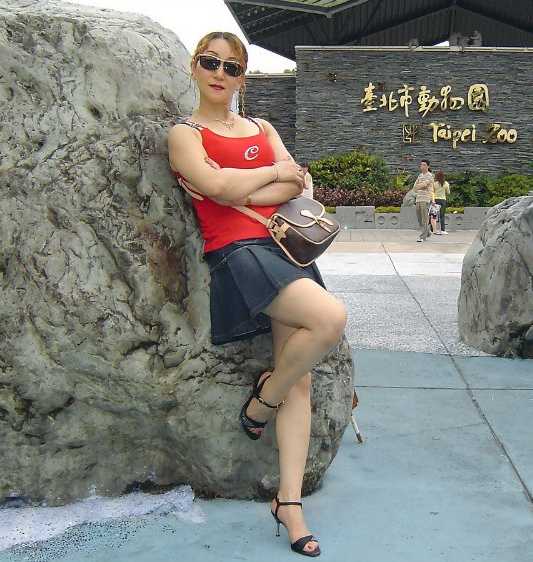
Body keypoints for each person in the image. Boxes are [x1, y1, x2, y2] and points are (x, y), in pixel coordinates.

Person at [168, 31, 347, 558]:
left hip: (284, 247)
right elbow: (219, 190)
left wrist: (239, 182)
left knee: (301, 377)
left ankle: (288, 504)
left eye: (232, 66)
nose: (219, 73)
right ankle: (264, 399)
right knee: (329, 318)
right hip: (237, 252)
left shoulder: (262, 127)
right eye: (210, 62)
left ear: (242, 77)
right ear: (195, 67)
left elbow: (296, 186)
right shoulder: (184, 134)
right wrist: (268, 174)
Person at [413, 159, 435, 242]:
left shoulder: (430, 175)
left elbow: (424, 185)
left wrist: (420, 186)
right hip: (418, 198)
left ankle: (423, 236)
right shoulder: (420, 175)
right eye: (421, 165)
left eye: (424, 165)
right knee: (419, 218)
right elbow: (415, 186)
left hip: (425, 198)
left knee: (424, 218)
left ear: (428, 166)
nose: (422, 166)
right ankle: (427, 232)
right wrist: (419, 186)